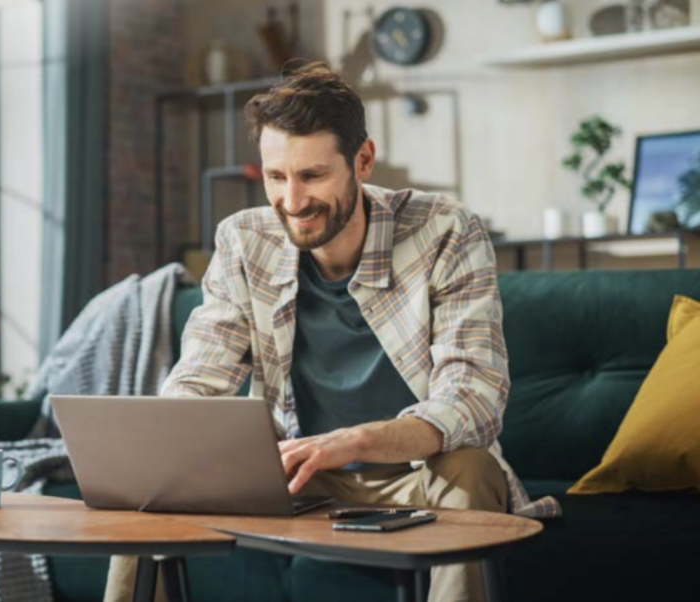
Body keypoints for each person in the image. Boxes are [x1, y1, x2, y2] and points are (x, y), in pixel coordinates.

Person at [104, 61, 559, 602]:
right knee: (151, 481)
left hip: (416, 473)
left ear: (362, 161)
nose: (293, 202)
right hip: (293, 477)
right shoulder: (243, 241)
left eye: (313, 176)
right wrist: (164, 441)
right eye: (277, 177)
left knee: (469, 468)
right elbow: (200, 378)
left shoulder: (446, 231)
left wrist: (356, 441)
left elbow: (474, 398)